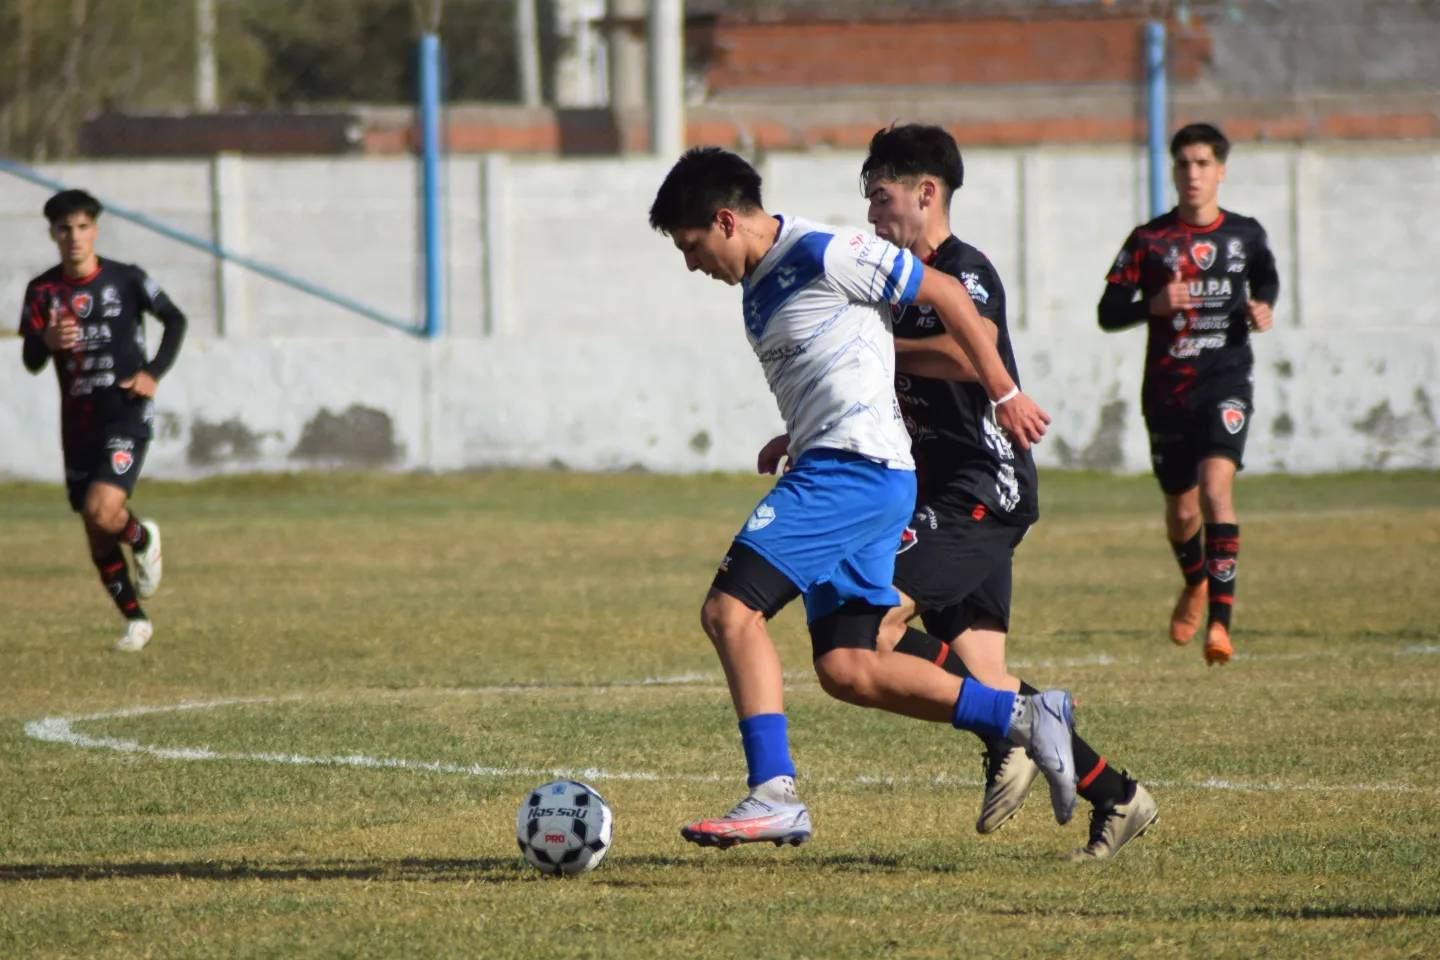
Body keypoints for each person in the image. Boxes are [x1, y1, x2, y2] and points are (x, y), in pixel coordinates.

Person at [649, 146, 1076, 852]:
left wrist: (1004, 393)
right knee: (849, 667)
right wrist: (794, 433)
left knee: (730, 612)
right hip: (840, 465)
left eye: (693, 247)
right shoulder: (760, 285)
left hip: (851, 476)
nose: (693, 265)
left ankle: (773, 793)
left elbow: (943, 296)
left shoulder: (824, 250)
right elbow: (850, 358)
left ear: (725, 221)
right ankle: (1024, 718)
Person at [850, 123, 1158, 861]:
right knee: (988, 678)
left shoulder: (964, 269)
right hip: (943, 492)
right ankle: (1118, 797)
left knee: (873, 622)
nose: (870, 215)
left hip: (982, 491)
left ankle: (1011, 724)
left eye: (881, 196)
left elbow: (968, 349)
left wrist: (879, 349)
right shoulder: (891, 283)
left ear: (927, 194)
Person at [1098, 123, 1279, 666]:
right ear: (1174, 171)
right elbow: (1108, 312)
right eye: (1183, 164)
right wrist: (1150, 304)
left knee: (1215, 491)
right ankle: (1195, 581)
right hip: (1167, 391)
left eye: (1202, 163)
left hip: (1225, 382)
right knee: (1181, 512)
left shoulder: (1245, 234)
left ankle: (1220, 626)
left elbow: (1266, 279)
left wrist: (1263, 306)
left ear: (1220, 170)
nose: (1192, 173)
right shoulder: (1149, 240)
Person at [18, 189, 187, 653]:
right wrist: (48, 339)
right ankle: (136, 621)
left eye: (82, 227)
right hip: (77, 423)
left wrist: (152, 372)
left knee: (102, 511)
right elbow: (31, 358)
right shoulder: (43, 291)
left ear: (95, 229)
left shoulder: (126, 280)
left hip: (124, 411)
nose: (74, 237)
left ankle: (142, 536)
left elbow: (175, 319)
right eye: (64, 229)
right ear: (53, 234)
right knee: (95, 529)